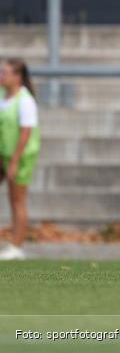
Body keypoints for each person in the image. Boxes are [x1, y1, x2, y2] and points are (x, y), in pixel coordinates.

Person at [0, 58, 41, 261]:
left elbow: (25, 134)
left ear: (18, 76)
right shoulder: (3, 96)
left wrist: (14, 162)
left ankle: (17, 246)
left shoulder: (25, 100)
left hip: (20, 157)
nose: (1, 76)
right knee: (11, 198)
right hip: (4, 154)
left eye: (5, 73)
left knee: (17, 200)